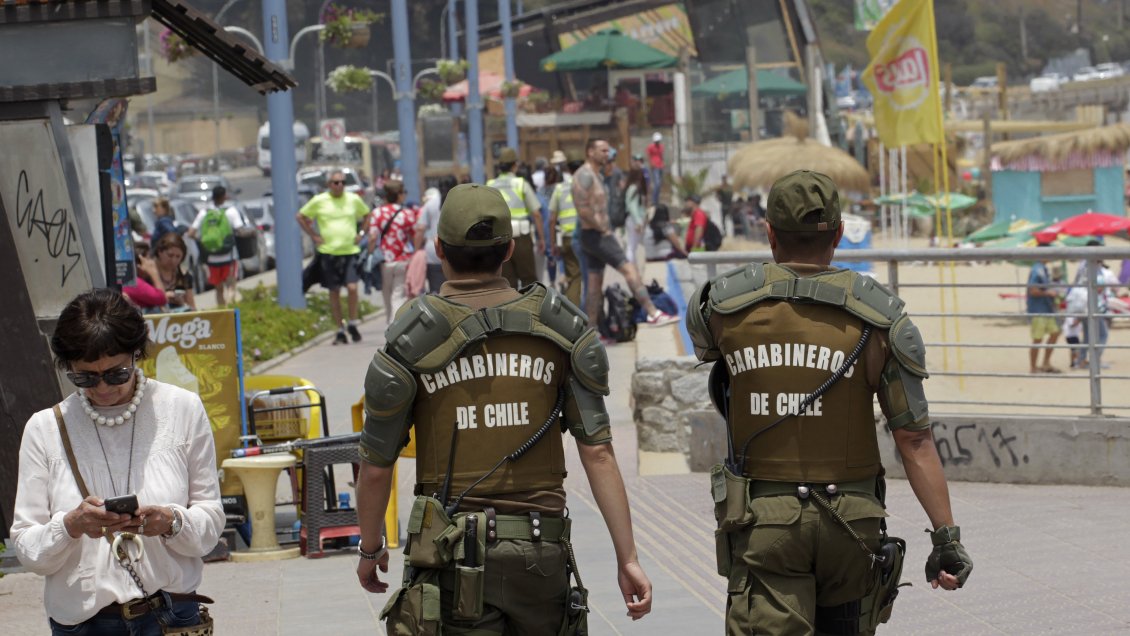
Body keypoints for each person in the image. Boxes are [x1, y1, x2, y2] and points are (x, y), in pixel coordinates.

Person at [353, 183, 653, 633]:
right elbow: (599, 453)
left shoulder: (409, 340)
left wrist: (371, 547)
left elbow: (376, 468)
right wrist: (627, 558)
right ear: (510, 249)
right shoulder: (559, 329)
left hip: (450, 564)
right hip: (541, 557)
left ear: (438, 249)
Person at [686, 170, 972, 635]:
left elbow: (714, 362)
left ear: (770, 233)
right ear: (839, 233)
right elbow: (914, 438)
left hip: (764, 525)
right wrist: (946, 538)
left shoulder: (719, 308)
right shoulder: (882, 318)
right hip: (852, 525)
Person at [11, 288, 224, 634]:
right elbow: (27, 547)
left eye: (116, 373)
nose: (103, 388)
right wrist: (71, 525)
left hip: (170, 616)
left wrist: (171, 521)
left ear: (136, 354)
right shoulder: (45, 429)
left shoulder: (181, 409)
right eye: (85, 377)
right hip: (83, 623)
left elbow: (211, 525)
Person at [573, 138, 679, 330]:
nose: (607, 154)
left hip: (592, 236)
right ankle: (653, 313)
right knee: (629, 269)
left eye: (608, 151)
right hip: (597, 235)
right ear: (590, 152)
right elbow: (583, 210)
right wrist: (602, 228)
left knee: (594, 284)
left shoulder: (597, 175)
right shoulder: (585, 175)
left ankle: (590, 329)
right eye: (603, 151)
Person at [297, 168, 370, 345]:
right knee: (334, 291)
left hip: (349, 251)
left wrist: (361, 232)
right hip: (328, 252)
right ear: (328, 185)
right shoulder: (320, 200)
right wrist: (313, 235)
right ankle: (340, 328)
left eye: (343, 183)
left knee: (352, 287)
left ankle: (352, 321)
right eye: (335, 183)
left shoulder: (353, 199)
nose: (339, 186)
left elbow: (368, 215)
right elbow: (301, 216)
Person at [488, 147, 545, 288]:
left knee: (507, 282)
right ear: (515, 165)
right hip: (521, 239)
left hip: (499, 240)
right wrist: (541, 238)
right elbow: (536, 213)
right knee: (529, 280)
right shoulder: (521, 184)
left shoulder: (490, 185)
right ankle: (530, 310)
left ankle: (510, 310)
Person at [365, 180, 416, 325]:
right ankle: (395, 323)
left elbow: (373, 236)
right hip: (404, 258)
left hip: (385, 260)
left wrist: (369, 254)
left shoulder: (377, 213)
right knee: (398, 294)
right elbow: (414, 235)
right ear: (399, 195)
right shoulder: (407, 213)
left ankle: (391, 321)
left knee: (387, 294)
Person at [188, 185, 244, 307]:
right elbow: (240, 231)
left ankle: (222, 311)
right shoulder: (231, 211)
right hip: (229, 256)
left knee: (218, 290)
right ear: (224, 196)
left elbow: (191, 233)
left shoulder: (204, 213)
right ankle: (230, 310)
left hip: (212, 259)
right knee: (231, 287)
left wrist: (204, 241)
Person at [548, 151, 585, 307]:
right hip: (586, 237)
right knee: (591, 276)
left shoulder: (559, 189)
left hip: (567, 238)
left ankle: (573, 314)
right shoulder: (589, 185)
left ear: (568, 169)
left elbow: (551, 220)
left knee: (573, 277)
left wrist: (553, 245)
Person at [415, 177, 458, 294]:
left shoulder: (430, 204)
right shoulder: (460, 203)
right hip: (456, 251)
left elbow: (420, 229)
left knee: (436, 290)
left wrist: (415, 250)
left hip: (433, 250)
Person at [1027, 249, 1062, 374]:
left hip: (1047, 308)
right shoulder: (1037, 270)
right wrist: (1048, 292)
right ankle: (1033, 367)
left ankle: (1046, 363)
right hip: (1038, 309)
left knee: (1055, 332)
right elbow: (1032, 290)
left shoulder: (1043, 269)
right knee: (1038, 338)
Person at [153, 232, 196, 312]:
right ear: (159, 252)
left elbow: (192, 307)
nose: (173, 260)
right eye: (170, 255)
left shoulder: (184, 275)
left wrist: (182, 302)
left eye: (178, 256)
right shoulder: (149, 272)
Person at [624, 167, 648, 267]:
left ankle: (633, 266)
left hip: (634, 219)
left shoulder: (632, 188)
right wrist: (639, 222)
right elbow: (633, 207)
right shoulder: (633, 188)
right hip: (634, 220)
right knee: (631, 246)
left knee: (634, 245)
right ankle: (630, 266)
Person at [646, 132, 665, 207]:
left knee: (659, 184)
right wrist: (651, 163)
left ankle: (657, 199)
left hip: (660, 166)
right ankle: (654, 200)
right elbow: (648, 156)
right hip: (655, 166)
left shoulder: (661, 147)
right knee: (657, 183)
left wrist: (663, 163)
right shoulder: (650, 147)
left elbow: (661, 155)